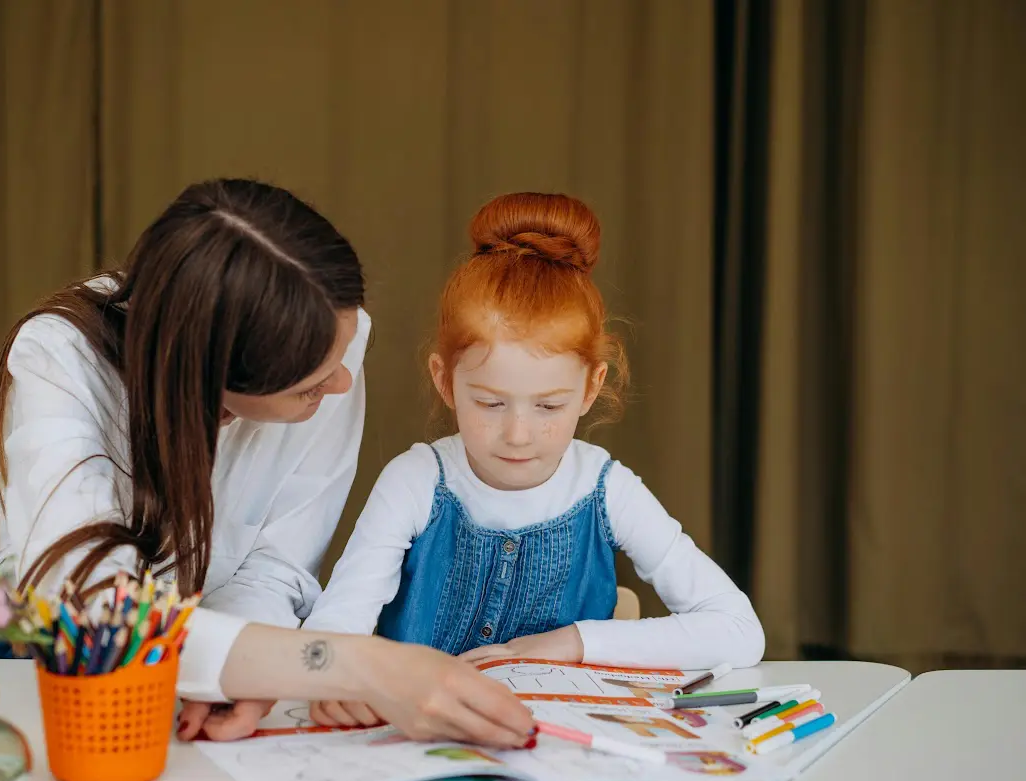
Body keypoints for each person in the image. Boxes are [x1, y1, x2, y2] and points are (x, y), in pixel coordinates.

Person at [0, 178, 533, 748]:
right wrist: (367, 665)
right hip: (35, 672)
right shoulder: (61, 359)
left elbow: (275, 566)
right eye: (310, 388)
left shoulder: (329, 337)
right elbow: (98, 616)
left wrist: (247, 671)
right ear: (209, 374)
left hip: (211, 678)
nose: (341, 382)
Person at [301, 192, 765, 728]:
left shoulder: (607, 489)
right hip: (415, 740)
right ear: (444, 380)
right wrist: (333, 672)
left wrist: (570, 643)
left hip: (558, 747)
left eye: (549, 406)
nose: (518, 434)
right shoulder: (415, 481)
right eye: (491, 403)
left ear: (591, 388)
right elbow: (339, 625)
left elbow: (738, 629)